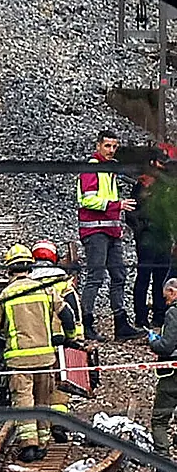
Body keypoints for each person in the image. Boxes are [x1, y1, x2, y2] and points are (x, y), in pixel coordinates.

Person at [0, 245, 77, 462]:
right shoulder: (46, 290)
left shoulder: (5, 295)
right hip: (45, 358)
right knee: (42, 401)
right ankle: (42, 443)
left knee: (23, 400)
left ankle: (28, 445)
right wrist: (71, 337)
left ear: (9, 270)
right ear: (30, 267)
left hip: (19, 360)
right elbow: (67, 315)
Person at [77, 130, 145, 341]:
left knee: (119, 276)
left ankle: (120, 323)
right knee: (95, 277)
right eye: (107, 146)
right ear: (98, 146)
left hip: (110, 230)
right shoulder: (92, 168)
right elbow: (86, 200)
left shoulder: (109, 169)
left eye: (114, 147)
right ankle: (86, 323)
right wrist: (118, 205)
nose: (111, 150)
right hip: (96, 230)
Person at [31, 239, 85, 442]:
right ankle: (60, 422)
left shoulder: (29, 282)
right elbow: (72, 311)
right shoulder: (63, 282)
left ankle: (38, 425)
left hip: (38, 340)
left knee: (41, 384)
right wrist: (77, 339)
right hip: (61, 339)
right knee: (62, 381)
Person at [126, 154, 173, 328]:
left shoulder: (166, 185)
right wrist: (141, 231)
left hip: (163, 235)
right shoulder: (143, 184)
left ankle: (160, 316)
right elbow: (130, 212)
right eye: (161, 163)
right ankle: (141, 317)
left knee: (160, 277)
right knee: (144, 276)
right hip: (148, 236)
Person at [147, 277, 177, 472]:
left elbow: (167, 346)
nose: (164, 300)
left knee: (160, 420)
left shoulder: (173, 312)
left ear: (173, 291)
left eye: (166, 296)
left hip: (172, 376)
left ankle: (163, 469)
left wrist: (154, 342)